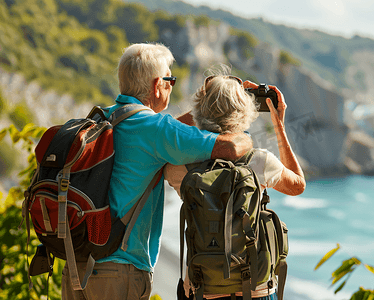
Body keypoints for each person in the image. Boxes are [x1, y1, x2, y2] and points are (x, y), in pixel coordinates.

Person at [61, 43, 253, 300]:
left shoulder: (104, 118)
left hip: (76, 265)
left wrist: (206, 107)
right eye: (170, 79)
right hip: (120, 270)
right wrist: (246, 128)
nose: (172, 86)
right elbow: (230, 147)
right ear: (157, 85)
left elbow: (170, 130)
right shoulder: (155, 130)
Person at [164, 72, 306, 299]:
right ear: (244, 113)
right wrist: (278, 125)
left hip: (204, 290)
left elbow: (165, 131)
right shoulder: (260, 161)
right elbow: (298, 185)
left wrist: (207, 103)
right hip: (256, 289)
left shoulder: (178, 168)